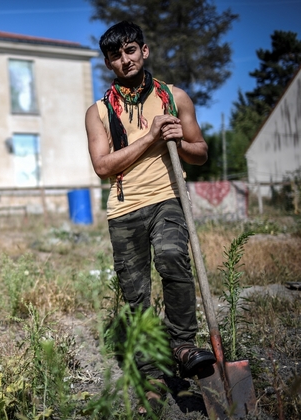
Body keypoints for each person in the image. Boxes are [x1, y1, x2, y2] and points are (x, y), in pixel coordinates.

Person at [85, 21, 215, 388]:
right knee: (136, 292)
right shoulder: (97, 112)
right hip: (125, 210)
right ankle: (151, 374)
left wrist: (179, 140)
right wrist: (152, 136)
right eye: (115, 56)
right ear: (109, 63)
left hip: (168, 198)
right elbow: (102, 166)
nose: (124, 60)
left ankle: (184, 346)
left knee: (173, 257)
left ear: (144, 51)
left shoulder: (175, 98)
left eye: (130, 50)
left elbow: (201, 153)